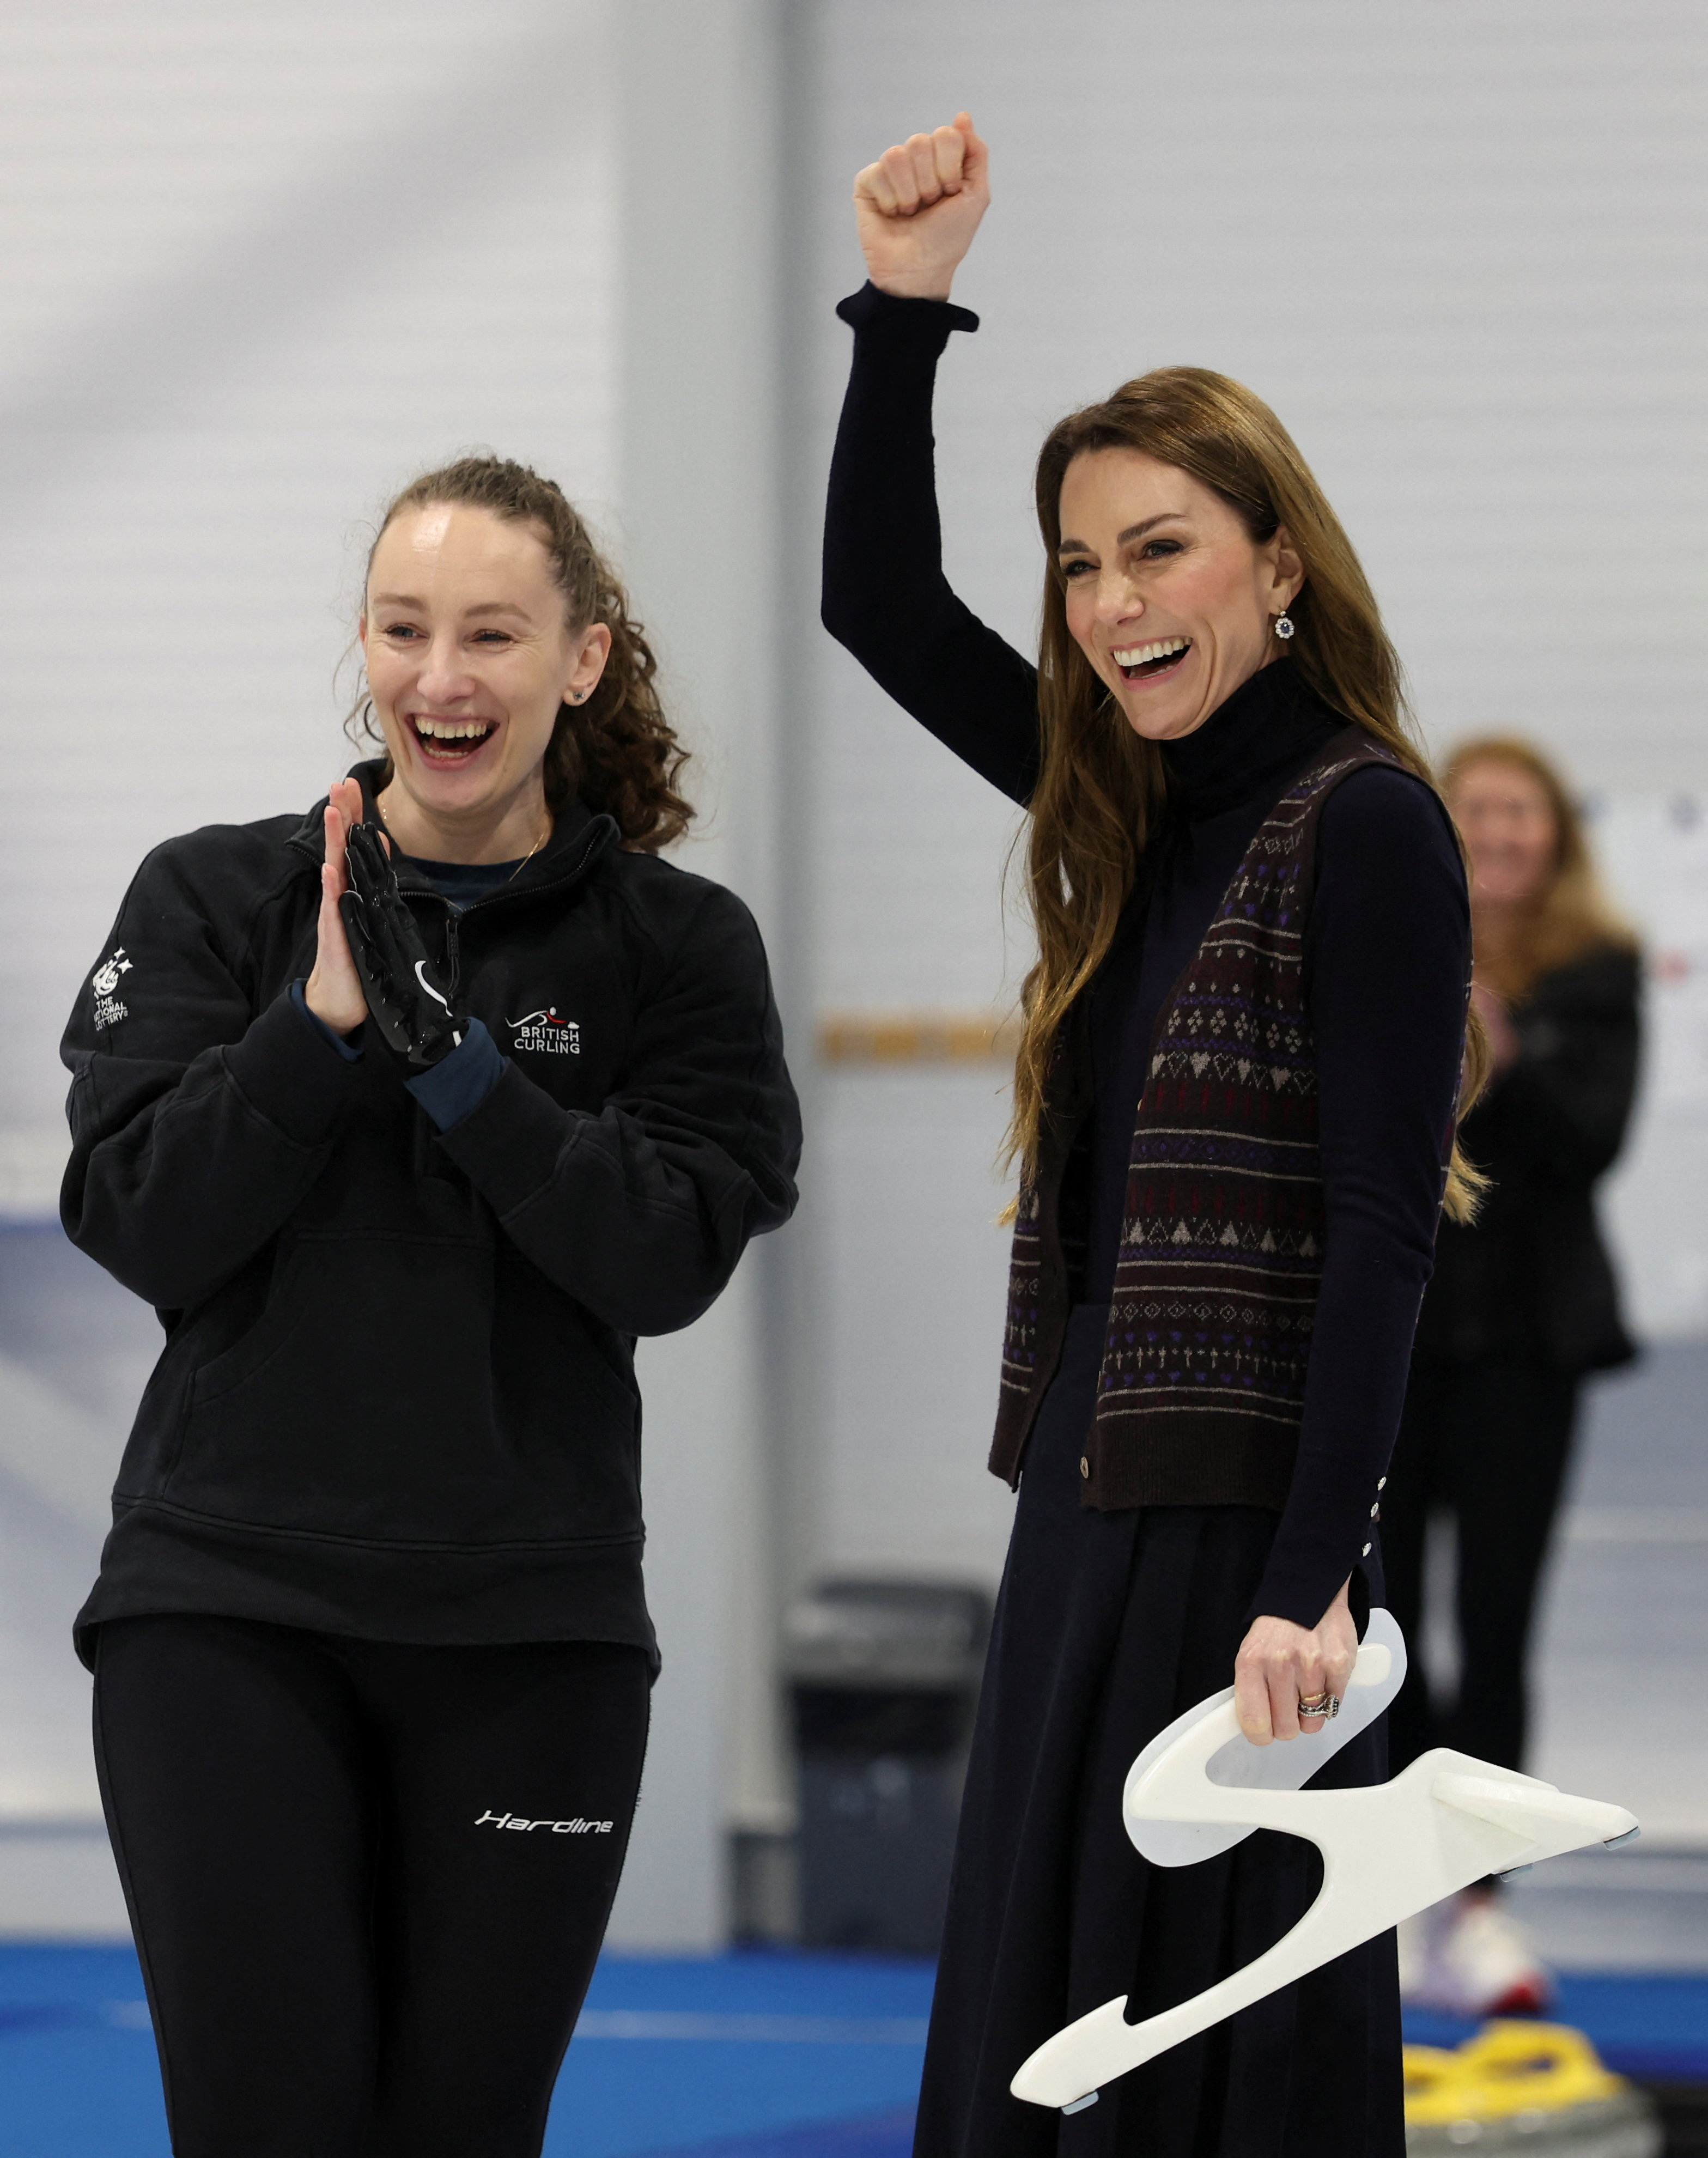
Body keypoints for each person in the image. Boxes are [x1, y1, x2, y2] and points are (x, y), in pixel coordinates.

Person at [823, 116, 1477, 2157]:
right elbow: (871, 601)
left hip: (1241, 1545)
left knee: (1212, 2060)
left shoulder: (1361, 820)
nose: (1111, 605)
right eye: (1082, 566)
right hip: (1090, 1493)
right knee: (1047, 2027)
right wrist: (901, 303)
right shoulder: (1124, 809)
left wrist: (1321, 1578)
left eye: (1160, 548)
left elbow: (1380, 1225)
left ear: (1275, 564)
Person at [60, 457, 801, 2158]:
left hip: (531, 1640)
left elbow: (666, 1257)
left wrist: (458, 1069)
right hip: (225, 1616)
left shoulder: (679, 948)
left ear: (583, 659)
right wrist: (318, 1029)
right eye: (403, 630)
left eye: (490, 633)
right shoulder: (216, 898)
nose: (440, 679)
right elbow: (141, 1218)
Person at [1385, 735, 1640, 2016]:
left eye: (1518, 811)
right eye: (1472, 809)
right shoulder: (1391, 941)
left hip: (1526, 1341)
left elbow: (1589, 1142)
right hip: (1398, 1333)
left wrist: (1505, 1042)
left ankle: (1475, 1901)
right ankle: (1401, 1874)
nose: (1494, 831)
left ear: (1554, 834)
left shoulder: (1593, 971)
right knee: (1384, 1624)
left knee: (1497, 1623)